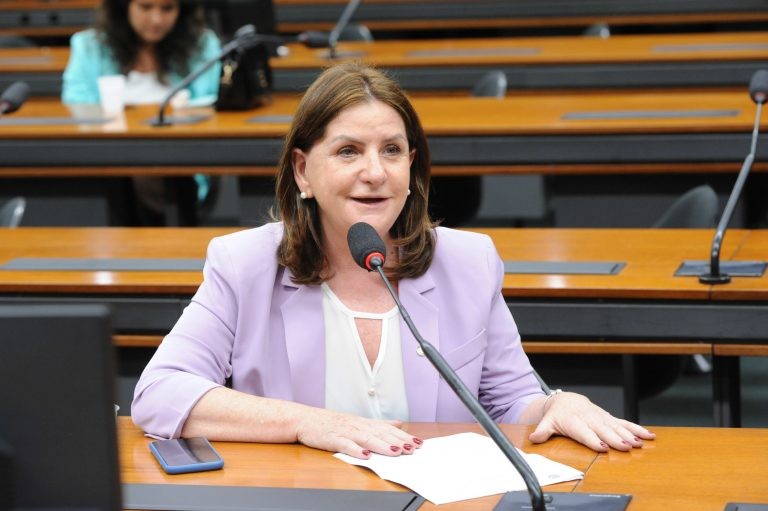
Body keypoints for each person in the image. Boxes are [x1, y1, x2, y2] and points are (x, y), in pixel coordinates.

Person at [132, 62, 655, 459]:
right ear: (302, 171)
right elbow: (160, 392)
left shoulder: (468, 261)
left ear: (412, 165)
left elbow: (508, 399)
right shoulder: (245, 264)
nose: (374, 172)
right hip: (301, 497)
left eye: (391, 150)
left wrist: (555, 404)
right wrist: (304, 422)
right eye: (348, 151)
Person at [61, 0, 221, 225]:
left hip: (180, 159)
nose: (157, 19)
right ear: (123, 7)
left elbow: (209, 104)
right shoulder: (90, 46)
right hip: (108, 159)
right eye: (146, 7)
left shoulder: (202, 45)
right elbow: (76, 103)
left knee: (152, 171)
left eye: (168, 9)